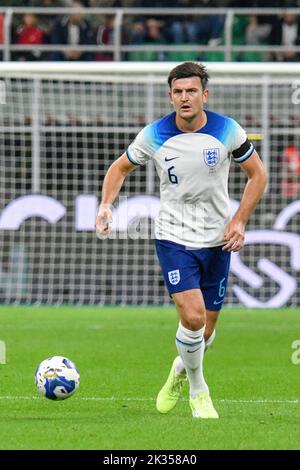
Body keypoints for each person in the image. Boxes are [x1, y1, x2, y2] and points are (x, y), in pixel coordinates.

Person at [95, 62, 268, 419]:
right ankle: (198, 390)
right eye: (178, 91)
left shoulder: (227, 130)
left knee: (205, 332)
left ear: (205, 95)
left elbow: (258, 175)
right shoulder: (155, 134)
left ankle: (179, 369)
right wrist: (105, 205)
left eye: (191, 91)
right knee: (192, 318)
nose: (184, 97)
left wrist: (239, 221)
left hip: (218, 238)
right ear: (170, 96)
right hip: (173, 236)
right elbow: (119, 168)